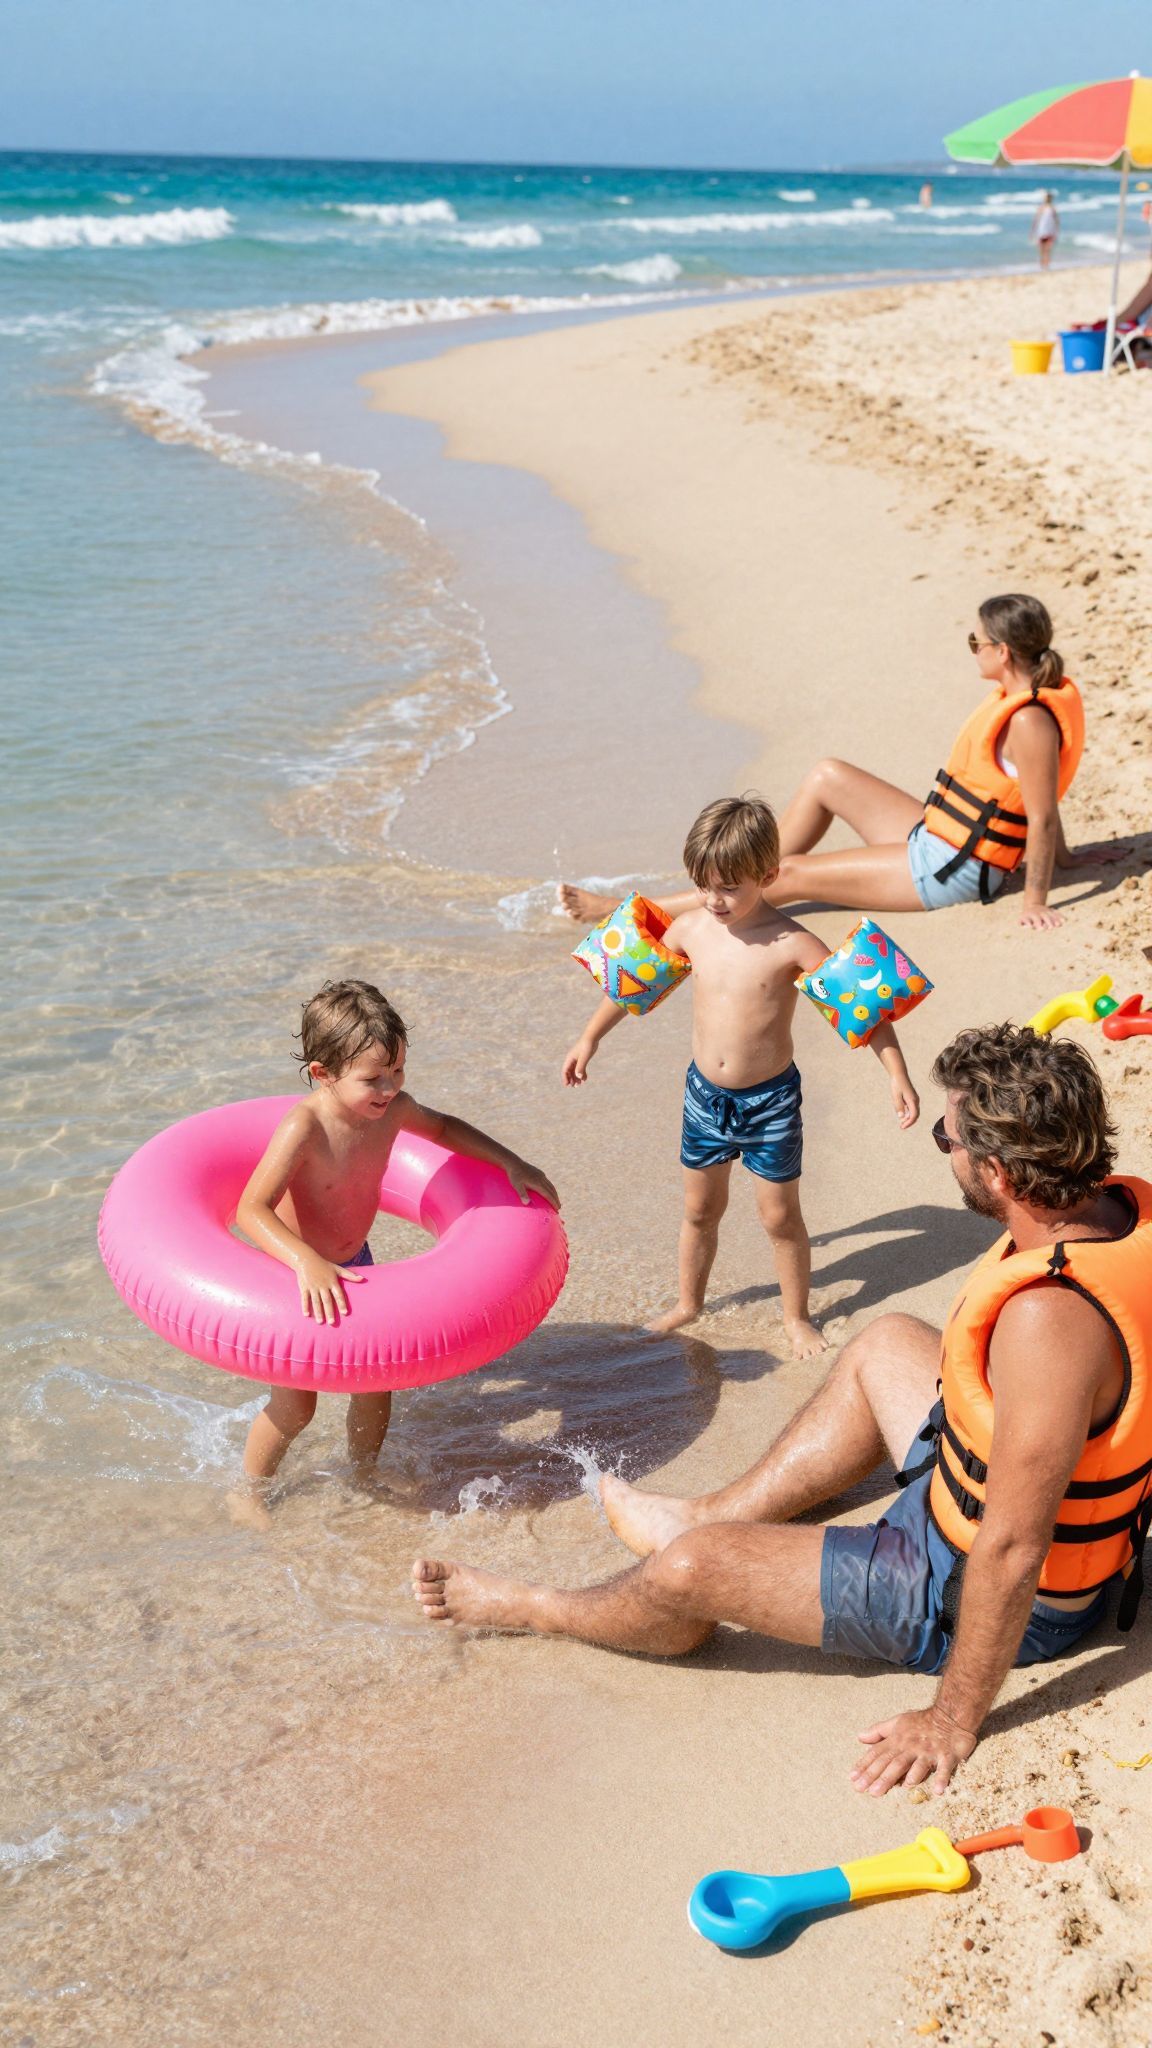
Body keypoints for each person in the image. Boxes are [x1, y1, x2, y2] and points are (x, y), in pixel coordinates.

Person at [413, 1025, 1152, 1796]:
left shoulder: (1051, 1321)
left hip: (976, 1588)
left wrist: (952, 1719)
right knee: (887, 1342)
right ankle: (704, 1510)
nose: (945, 1146)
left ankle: (538, 1606)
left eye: (948, 1136)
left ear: (997, 1173)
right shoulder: (1123, 1216)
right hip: (986, 1493)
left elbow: (1011, 1549)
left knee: (690, 1574)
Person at [562, 796, 919, 1358]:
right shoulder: (690, 929)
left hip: (770, 1102)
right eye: (704, 884)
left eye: (728, 886)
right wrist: (590, 1037)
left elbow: (862, 1008)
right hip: (704, 1098)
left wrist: (895, 1074)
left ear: (769, 875)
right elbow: (633, 985)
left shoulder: (793, 943)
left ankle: (797, 1317)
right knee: (700, 1211)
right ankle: (688, 1303)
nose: (713, 899)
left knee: (779, 1217)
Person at [560, 594, 1117, 936]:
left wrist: (1037, 898)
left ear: (1003, 653)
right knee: (829, 775)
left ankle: (636, 913)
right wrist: (1068, 859)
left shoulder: (1029, 721)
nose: (972, 648)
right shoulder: (1023, 704)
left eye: (977, 641)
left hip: (955, 867)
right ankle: (742, 875)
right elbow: (1033, 800)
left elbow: (1041, 815)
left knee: (796, 876)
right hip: (940, 836)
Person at [234, 979, 559, 1508]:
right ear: (323, 1074)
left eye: (398, 1071)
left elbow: (446, 1129)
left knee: (375, 1383)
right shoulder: (305, 1126)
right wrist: (306, 1261)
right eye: (373, 1079)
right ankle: (249, 1492)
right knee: (296, 1405)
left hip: (355, 1263)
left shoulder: (394, 1110)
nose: (389, 1088)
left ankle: (363, 1473)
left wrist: (510, 1162)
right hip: (293, 1272)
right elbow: (252, 1207)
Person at [1031, 192, 1059, 270]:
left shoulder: (1052, 208)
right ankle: (1042, 264)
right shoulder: (1041, 208)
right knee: (1041, 249)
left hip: (1050, 232)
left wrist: (1056, 231)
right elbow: (1036, 220)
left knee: (1048, 249)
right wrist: (1033, 231)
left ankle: (1046, 265)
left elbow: (1056, 221)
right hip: (1041, 231)